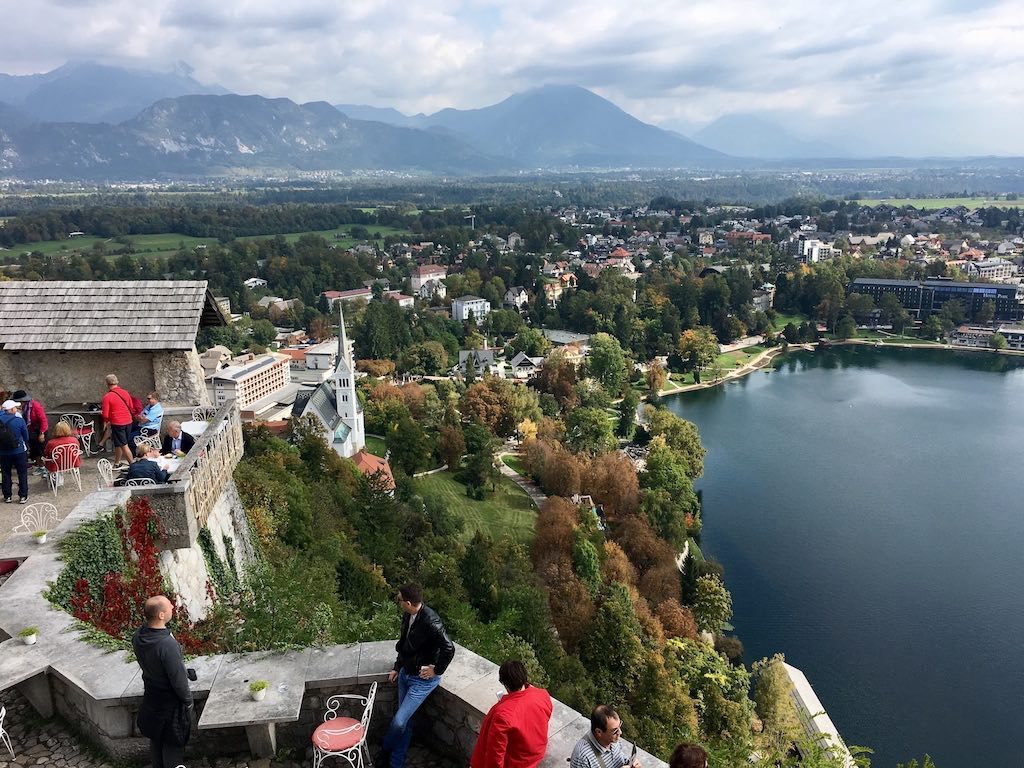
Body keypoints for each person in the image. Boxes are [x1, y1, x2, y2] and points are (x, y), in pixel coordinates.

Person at [380, 583, 456, 768]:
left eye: (399, 600)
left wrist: (436, 670)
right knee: (405, 722)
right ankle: (395, 763)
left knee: (399, 722)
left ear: (407, 602)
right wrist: (398, 667)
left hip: (421, 681)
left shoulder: (431, 621)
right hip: (406, 673)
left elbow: (449, 648)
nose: (398, 603)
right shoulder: (409, 615)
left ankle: (385, 752)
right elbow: (404, 643)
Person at [132, 595, 193, 768]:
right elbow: (178, 680)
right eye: (169, 606)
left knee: (157, 740)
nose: (173, 607)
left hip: (152, 697)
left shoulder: (138, 637)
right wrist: (188, 701)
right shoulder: (166, 644)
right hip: (170, 702)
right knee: (172, 745)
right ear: (160, 615)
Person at [470, 660, 552, 768]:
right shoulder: (542, 695)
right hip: (534, 756)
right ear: (524, 677)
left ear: (504, 683)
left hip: (515, 763)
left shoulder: (503, 714)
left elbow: (495, 754)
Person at [569, 706, 641, 768]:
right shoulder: (583, 757)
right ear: (599, 732)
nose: (620, 732)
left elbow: (620, 759)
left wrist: (631, 763)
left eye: (619, 726)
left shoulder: (613, 739)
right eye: (615, 731)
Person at [101, 374, 136, 469]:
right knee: (119, 443)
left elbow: (105, 414)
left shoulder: (107, 396)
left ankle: (133, 466)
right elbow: (131, 407)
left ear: (107, 384)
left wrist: (106, 421)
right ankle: (117, 463)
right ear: (117, 382)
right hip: (128, 421)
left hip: (118, 423)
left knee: (124, 445)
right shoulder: (125, 393)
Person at [0, 399, 30, 504]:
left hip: (3, 452)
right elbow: (26, 437)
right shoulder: (19, 420)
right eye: (15, 408)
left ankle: (7, 496)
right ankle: (23, 496)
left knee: (5, 474)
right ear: (12, 409)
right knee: (22, 473)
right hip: (18, 451)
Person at [12, 390, 47, 472]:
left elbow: (43, 420)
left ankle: (42, 466)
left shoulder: (35, 406)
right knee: (34, 448)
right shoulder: (24, 407)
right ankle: (37, 463)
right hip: (31, 430)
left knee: (39, 449)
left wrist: (42, 433)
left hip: (39, 430)